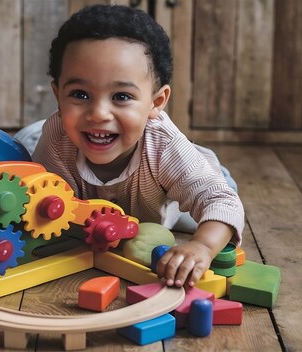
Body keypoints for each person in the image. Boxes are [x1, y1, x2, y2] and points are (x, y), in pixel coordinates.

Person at [20, 5, 244, 288]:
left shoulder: (163, 146)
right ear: (57, 94)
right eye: (80, 94)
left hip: (163, 198)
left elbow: (220, 202)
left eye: (122, 96)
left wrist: (202, 246)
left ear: (156, 102)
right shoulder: (56, 136)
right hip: (89, 200)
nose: (99, 113)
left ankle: (212, 171)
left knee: (210, 209)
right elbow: (43, 205)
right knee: (25, 156)